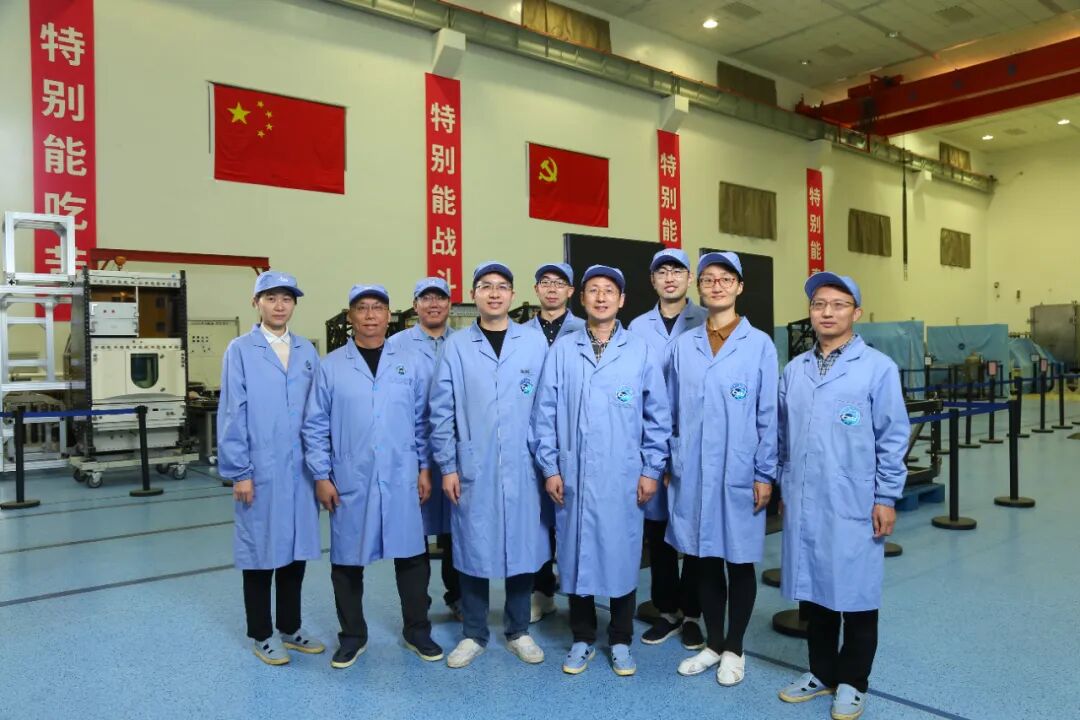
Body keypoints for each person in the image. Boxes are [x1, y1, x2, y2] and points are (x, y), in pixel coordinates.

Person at [776, 272, 909, 720]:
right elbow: (783, 436)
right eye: (819, 304)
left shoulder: (877, 368)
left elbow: (893, 438)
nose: (827, 312)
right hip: (805, 498)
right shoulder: (794, 370)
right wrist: (784, 485)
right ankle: (821, 672)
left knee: (856, 595)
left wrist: (886, 496)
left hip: (854, 500)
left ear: (857, 312)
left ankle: (853, 681)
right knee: (815, 592)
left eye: (838, 304)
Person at [532, 265, 671, 677]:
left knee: (622, 556)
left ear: (622, 300)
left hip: (622, 475)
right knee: (575, 556)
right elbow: (544, 414)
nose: (601, 297)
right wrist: (550, 467)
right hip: (572, 474)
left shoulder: (639, 351)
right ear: (583, 299)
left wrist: (650, 469)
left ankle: (621, 639)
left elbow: (658, 418)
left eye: (609, 290)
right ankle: (582, 637)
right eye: (593, 290)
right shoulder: (563, 351)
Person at [303, 284, 442, 669]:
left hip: (402, 474)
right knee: (348, 560)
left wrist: (424, 468)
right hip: (351, 477)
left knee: (412, 556)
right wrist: (321, 475)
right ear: (350, 316)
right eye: (361, 308)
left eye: (377, 308)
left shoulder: (410, 362)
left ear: (388, 315)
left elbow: (422, 421)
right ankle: (352, 636)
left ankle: (417, 631)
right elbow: (314, 425)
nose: (369, 315)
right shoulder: (330, 366)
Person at [429, 261, 550, 669]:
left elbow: (546, 408)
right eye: (485, 286)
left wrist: (547, 463)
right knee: (473, 548)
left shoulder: (534, 343)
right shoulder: (457, 346)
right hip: (473, 465)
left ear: (513, 295)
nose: (494, 293)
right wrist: (448, 466)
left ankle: (518, 631)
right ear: (473, 295)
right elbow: (441, 410)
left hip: (525, 464)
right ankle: (474, 633)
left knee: (522, 547)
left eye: (501, 286)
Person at [666, 252, 778, 686]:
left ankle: (735, 648)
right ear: (700, 288)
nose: (716, 285)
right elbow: (671, 410)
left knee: (739, 559)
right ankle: (713, 643)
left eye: (725, 278)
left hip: (739, 470)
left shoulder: (760, 345)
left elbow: (768, 415)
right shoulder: (684, 345)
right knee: (704, 558)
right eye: (709, 279)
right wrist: (670, 459)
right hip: (693, 470)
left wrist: (764, 473)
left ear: (739, 287)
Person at [218, 270, 324, 666]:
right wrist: (240, 472)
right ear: (256, 303)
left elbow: (318, 411)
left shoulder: (306, 351)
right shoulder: (240, 350)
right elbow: (232, 412)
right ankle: (262, 634)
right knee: (260, 553)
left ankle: (291, 628)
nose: (279, 306)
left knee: (296, 551)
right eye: (271, 298)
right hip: (259, 468)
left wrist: (321, 466)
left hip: (301, 470)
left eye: (287, 298)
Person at [627, 247, 708, 649]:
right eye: (662, 272)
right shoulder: (637, 328)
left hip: (695, 440)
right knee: (657, 530)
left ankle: (692, 613)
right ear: (652, 280)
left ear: (689, 278)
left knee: (692, 528)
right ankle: (667, 611)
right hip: (651, 441)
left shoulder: (707, 320)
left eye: (678, 271)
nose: (670, 277)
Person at [388, 277, 461, 621]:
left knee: (457, 530)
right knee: (412, 531)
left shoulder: (463, 343)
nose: (433, 304)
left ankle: (458, 597)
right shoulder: (395, 346)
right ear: (415, 305)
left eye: (440, 298)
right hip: (410, 454)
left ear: (450, 304)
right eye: (426, 298)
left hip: (455, 451)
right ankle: (417, 609)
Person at [523, 261, 585, 623]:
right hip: (533, 435)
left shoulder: (585, 330)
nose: (551, 288)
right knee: (537, 519)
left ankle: (577, 590)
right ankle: (541, 591)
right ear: (536, 290)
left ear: (570, 291)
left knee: (572, 516)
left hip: (574, 436)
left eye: (559, 282)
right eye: (544, 282)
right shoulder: (520, 334)